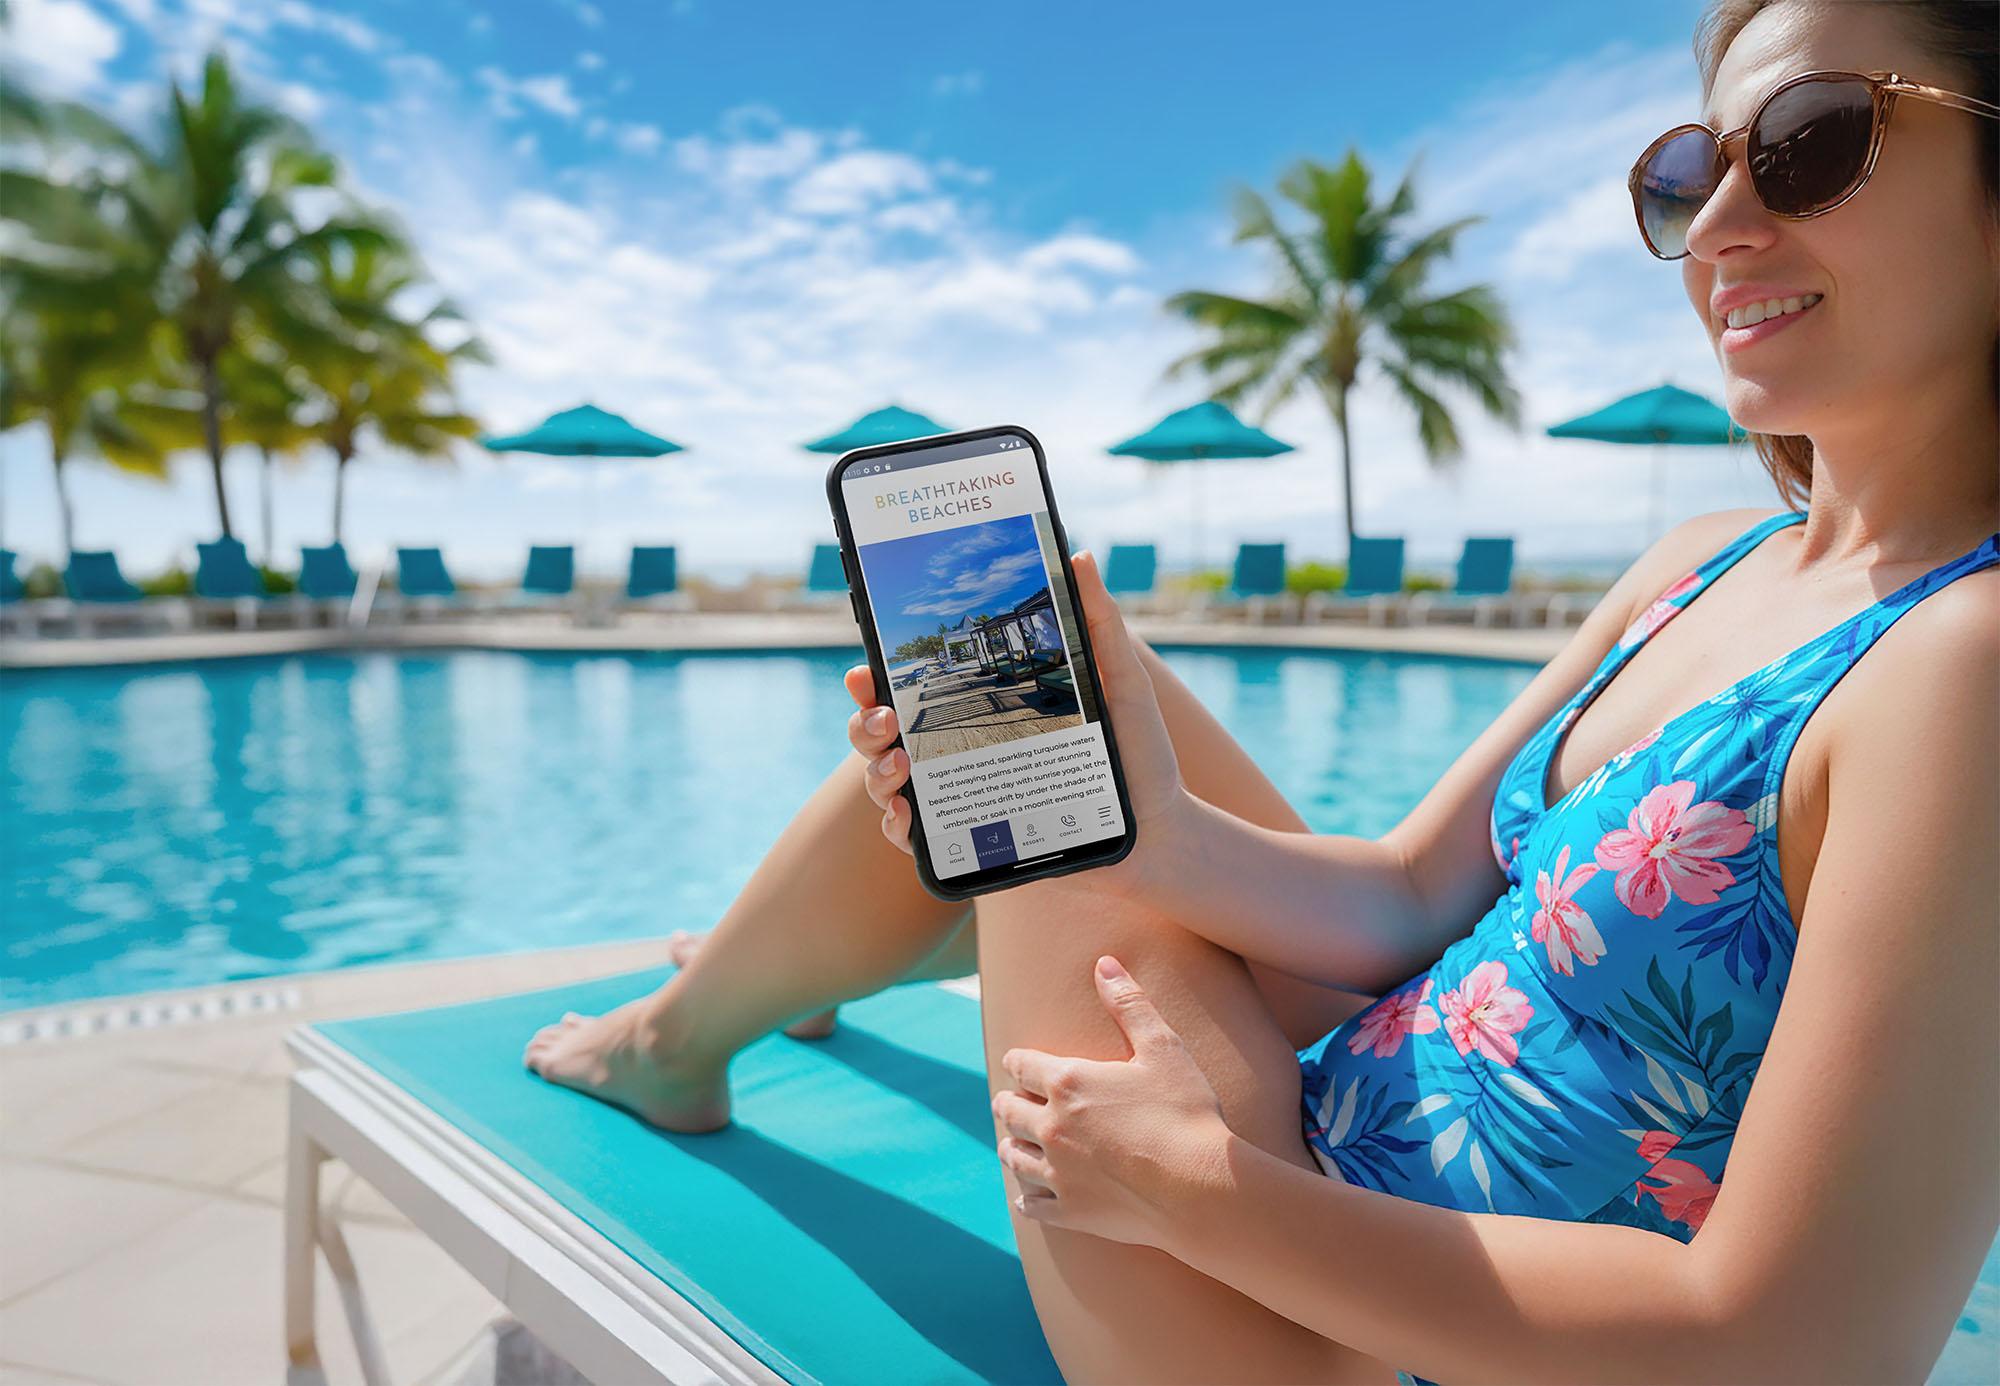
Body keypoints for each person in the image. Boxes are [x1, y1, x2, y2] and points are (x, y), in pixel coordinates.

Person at [526, 0, 1999, 1378]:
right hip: (1333, 1148)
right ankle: (784, 980)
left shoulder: (1961, 668)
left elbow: (1796, 1349)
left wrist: (1199, 1192)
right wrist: (1159, 830)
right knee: (1059, 742)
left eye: (1811, 143)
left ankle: (700, 1024)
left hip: (1355, 1331)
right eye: (1690, 174)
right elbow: (1413, 892)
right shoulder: (1700, 562)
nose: (1721, 227)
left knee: (1026, 761)